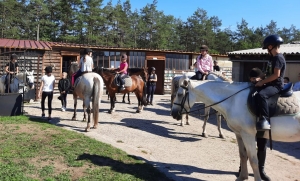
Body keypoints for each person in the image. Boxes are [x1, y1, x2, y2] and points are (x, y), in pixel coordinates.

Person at [254, 34, 286, 131]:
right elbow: (267, 72)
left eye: (267, 48)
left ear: (270, 46)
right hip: (269, 83)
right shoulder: (272, 58)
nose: (267, 50)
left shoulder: (278, 58)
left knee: (262, 95)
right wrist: (259, 78)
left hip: (276, 85)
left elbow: (276, 75)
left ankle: (265, 120)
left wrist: (262, 82)